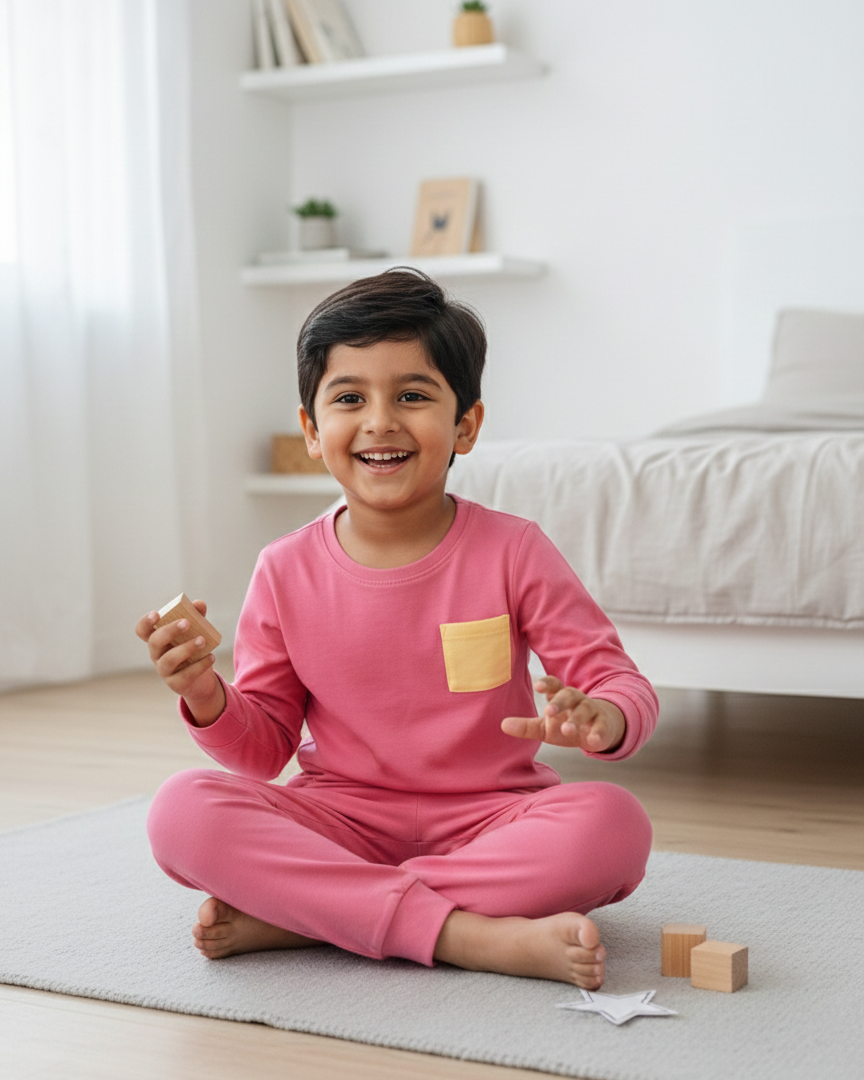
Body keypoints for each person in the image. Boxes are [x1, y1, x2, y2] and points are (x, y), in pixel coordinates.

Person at [137, 269, 657, 989]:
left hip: (490, 820)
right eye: (350, 398)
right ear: (314, 432)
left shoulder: (514, 549)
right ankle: (468, 937)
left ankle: (309, 916)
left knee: (613, 827)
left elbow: (617, 681)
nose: (380, 421)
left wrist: (603, 716)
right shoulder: (284, 568)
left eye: (412, 396)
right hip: (338, 820)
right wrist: (205, 694)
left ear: (465, 426)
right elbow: (262, 752)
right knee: (180, 813)